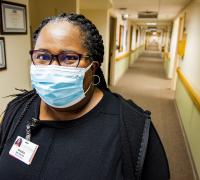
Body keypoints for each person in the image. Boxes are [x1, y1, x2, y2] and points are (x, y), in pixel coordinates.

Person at [0, 13, 170, 180]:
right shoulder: (18, 109)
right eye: (42, 56)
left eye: (69, 58)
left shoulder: (132, 127)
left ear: (93, 67)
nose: (52, 67)